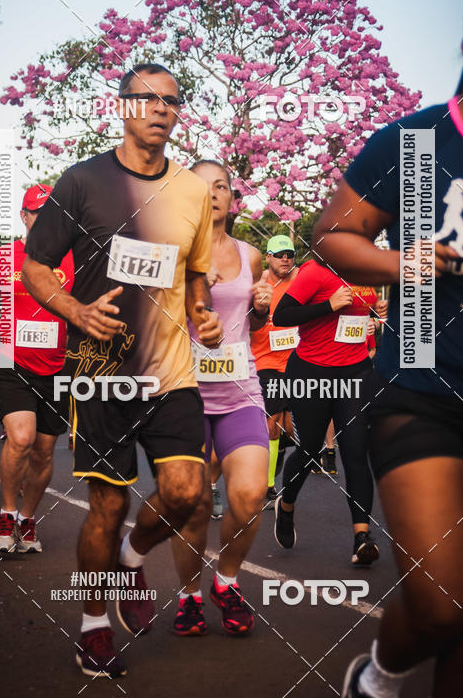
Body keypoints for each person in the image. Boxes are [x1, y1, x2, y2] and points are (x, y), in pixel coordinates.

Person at [312, 0, 463, 698]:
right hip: (422, 385)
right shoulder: (420, 143)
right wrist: (403, 262)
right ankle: (379, 677)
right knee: (444, 599)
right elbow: (331, 235)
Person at [22, 63, 222, 678]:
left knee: (190, 492)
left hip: (171, 370)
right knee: (106, 506)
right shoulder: (82, 180)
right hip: (103, 370)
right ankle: (93, 626)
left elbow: (195, 278)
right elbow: (35, 265)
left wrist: (203, 315)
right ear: (124, 107)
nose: (163, 109)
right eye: (150, 99)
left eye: (173, 101)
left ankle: (135, 559)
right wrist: (73, 308)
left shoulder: (191, 190)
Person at [171, 160, 271, 637]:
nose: (212, 193)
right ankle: (189, 595)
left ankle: (226, 582)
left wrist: (264, 308)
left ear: (233, 198)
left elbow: (254, 323)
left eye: (222, 186)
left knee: (250, 494)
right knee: (190, 506)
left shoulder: (251, 256)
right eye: (202, 185)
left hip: (240, 392)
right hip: (185, 395)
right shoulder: (171, 255)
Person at [0, 184, 75, 554]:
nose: (43, 220)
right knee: (20, 438)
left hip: (59, 366)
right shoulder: (6, 256)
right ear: (24, 216)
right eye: (36, 213)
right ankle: (6, 513)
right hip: (11, 359)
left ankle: (27, 519)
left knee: (44, 452)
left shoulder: (72, 260)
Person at [271, 261, 380, 566]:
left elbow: (358, 313)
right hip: (312, 371)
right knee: (309, 447)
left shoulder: (364, 269)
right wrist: (328, 306)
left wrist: (371, 319)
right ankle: (287, 505)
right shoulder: (316, 272)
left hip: (356, 370)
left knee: (356, 450)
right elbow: (281, 316)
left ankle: (362, 538)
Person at [249, 235, 298, 502]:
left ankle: (275, 452)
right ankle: (267, 485)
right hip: (263, 360)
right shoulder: (257, 284)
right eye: (279, 255)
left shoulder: (301, 281)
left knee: (284, 426)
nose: (285, 259)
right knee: (272, 420)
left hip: (294, 361)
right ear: (268, 257)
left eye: (289, 254)